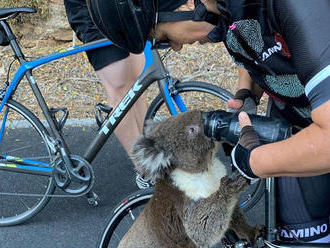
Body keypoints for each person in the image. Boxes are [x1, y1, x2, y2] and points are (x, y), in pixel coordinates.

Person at [87, 0, 330, 243]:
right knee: (301, 239)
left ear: (185, 5)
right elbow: (255, 38)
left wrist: (251, 162)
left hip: (320, 133)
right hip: (294, 118)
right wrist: (247, 90)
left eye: (164, 37)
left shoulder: (298, 5)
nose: (177, 47)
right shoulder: (226, 10)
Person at [63, 0, 186, 189]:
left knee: (137, 82)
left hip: (121, 6)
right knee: (119, 87)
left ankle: (149, 153)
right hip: (91, 10)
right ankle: (144, 168)